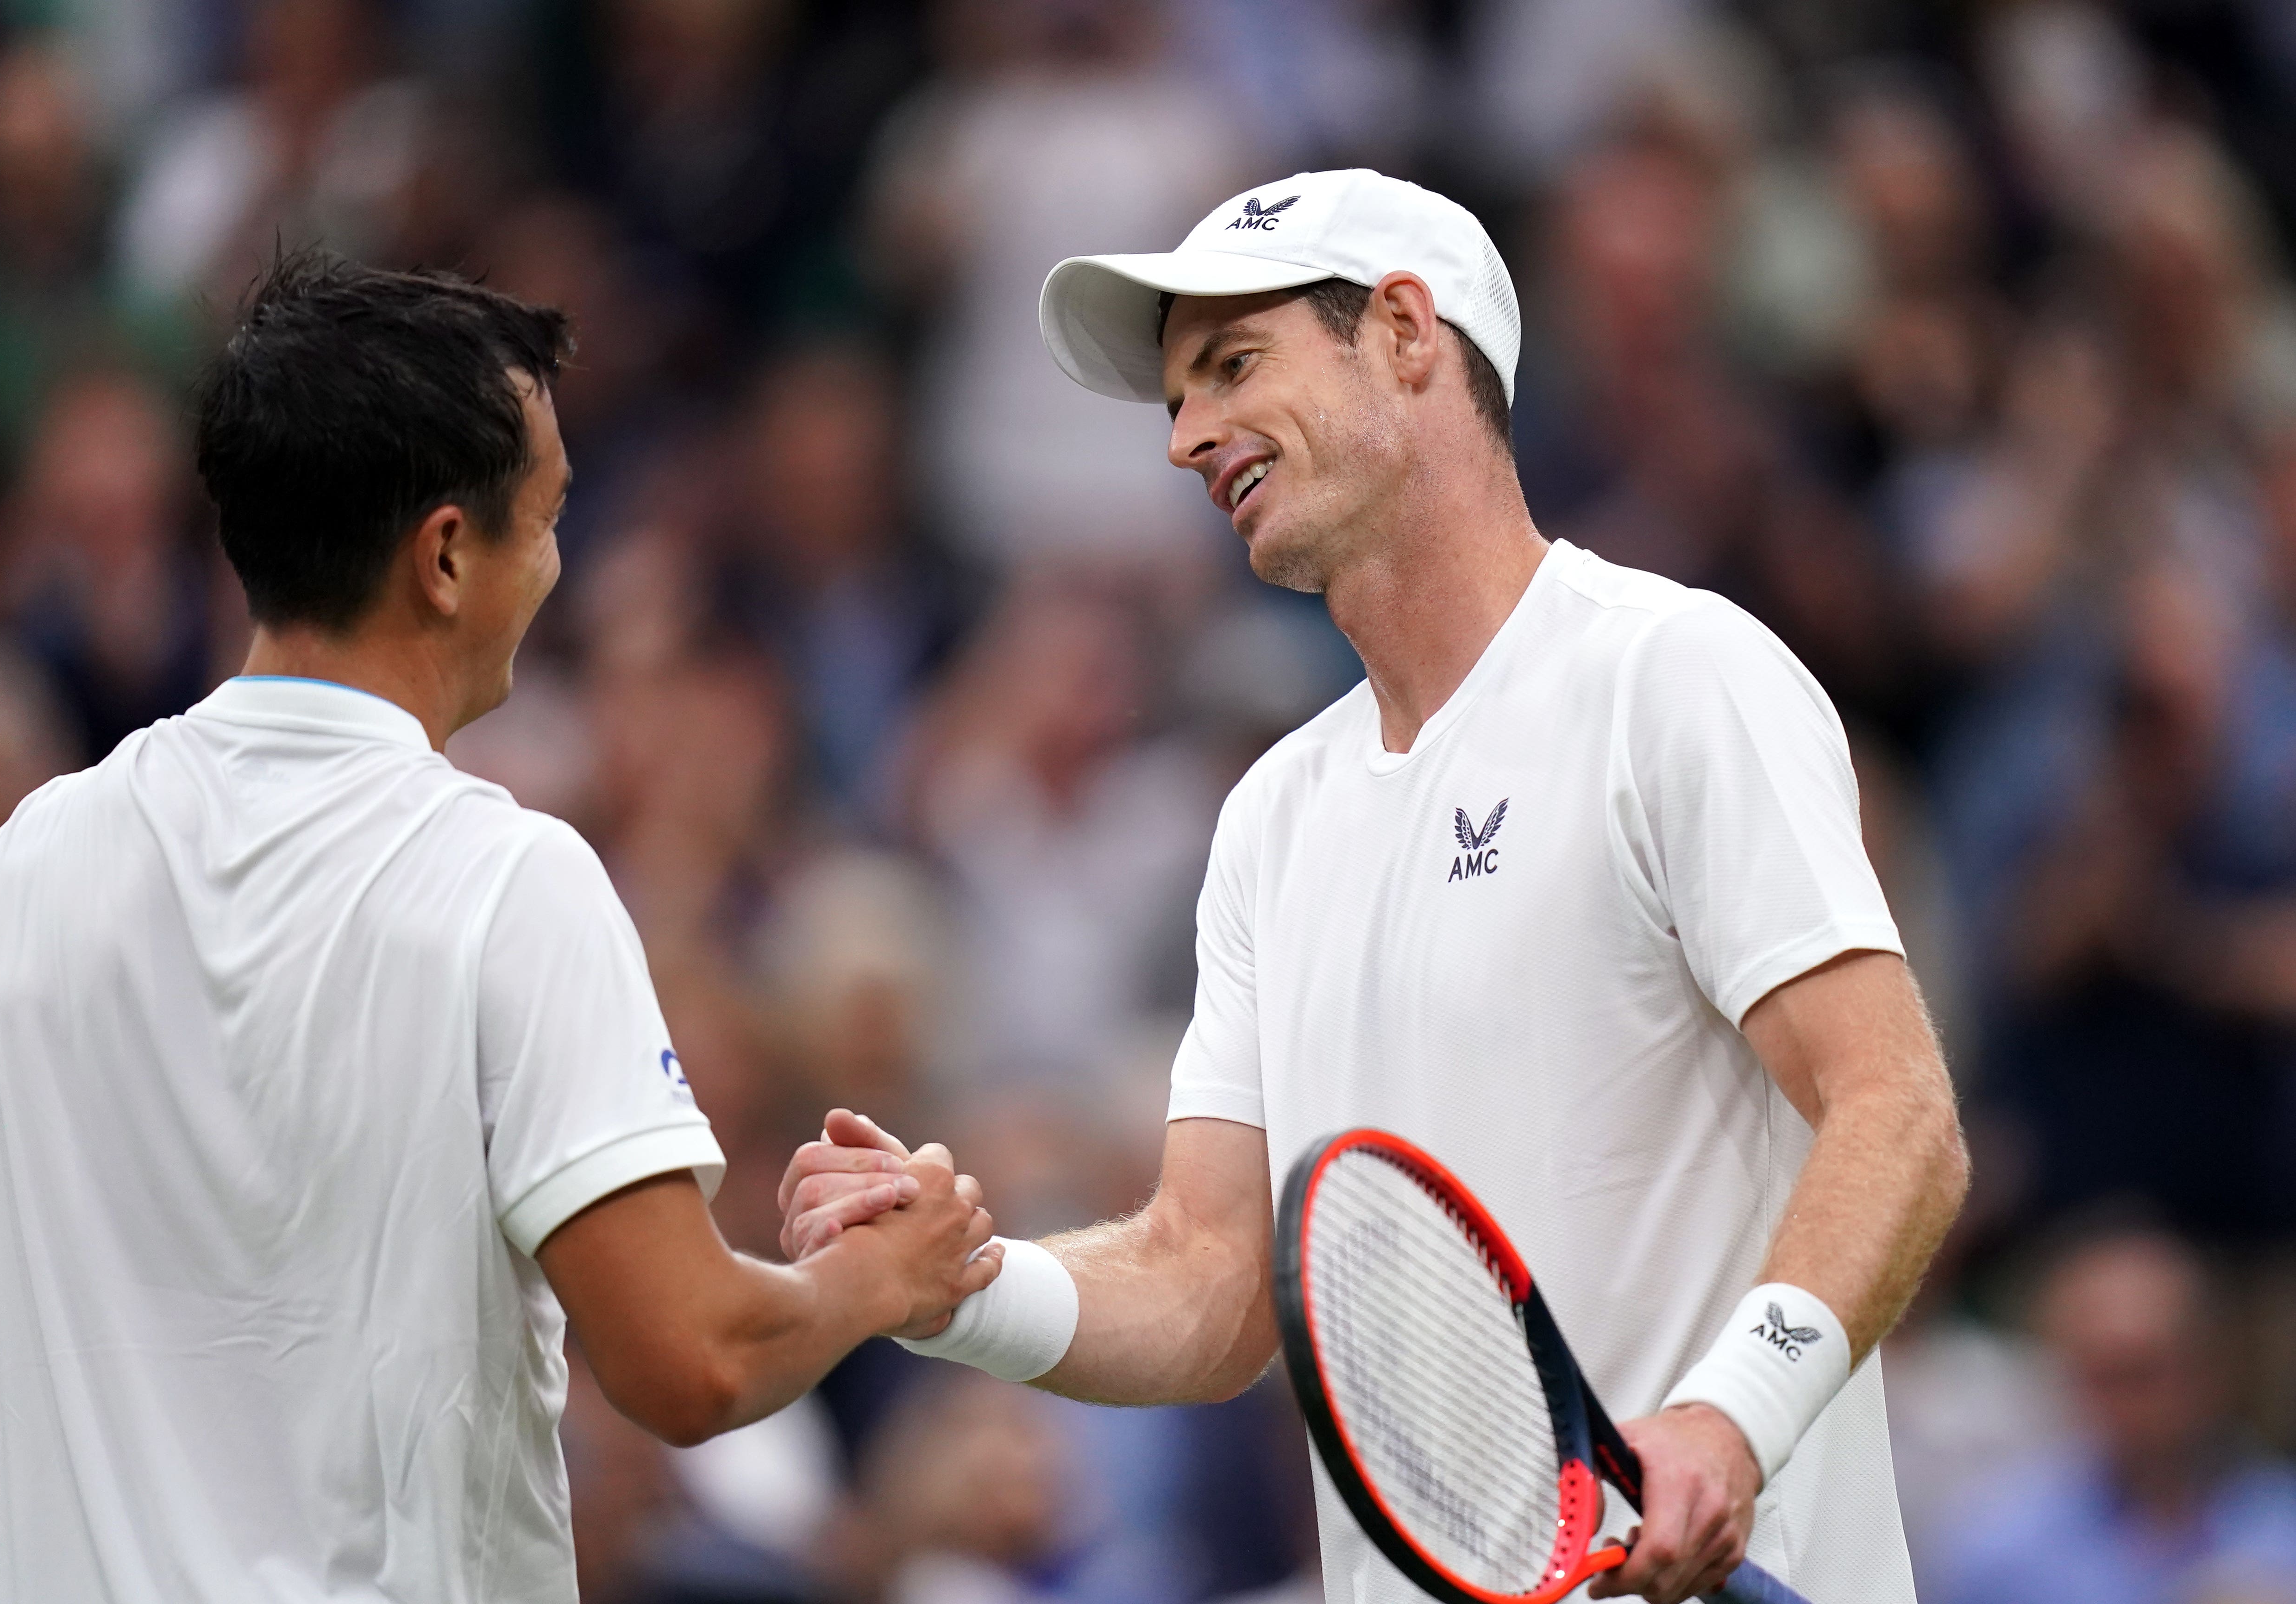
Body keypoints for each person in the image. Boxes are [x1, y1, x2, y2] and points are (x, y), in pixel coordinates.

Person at [780, 169, 1970, 1604]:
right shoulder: (1272, 817)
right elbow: (1211, 1280)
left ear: (1407, 334)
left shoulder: (1671, 674)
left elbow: (1897, 1111)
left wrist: (1732, 1415)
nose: (1185, 437)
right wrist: (961, 1284)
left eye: (1230, 366)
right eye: (1174, 398)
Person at [0, 252, 997, 1604]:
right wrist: (883, 1274)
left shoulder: (17, 870)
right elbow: (690, 1356)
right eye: (546, 518)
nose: (556, 565)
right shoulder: (508, 880)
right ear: (449, 553)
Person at [1929, 1224, 2296, 1604]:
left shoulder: (2283, 1527)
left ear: (2215, 1366)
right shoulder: (1997, 1543)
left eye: (2145, 1372)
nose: (2126, 1406)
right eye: (2100, 1377)